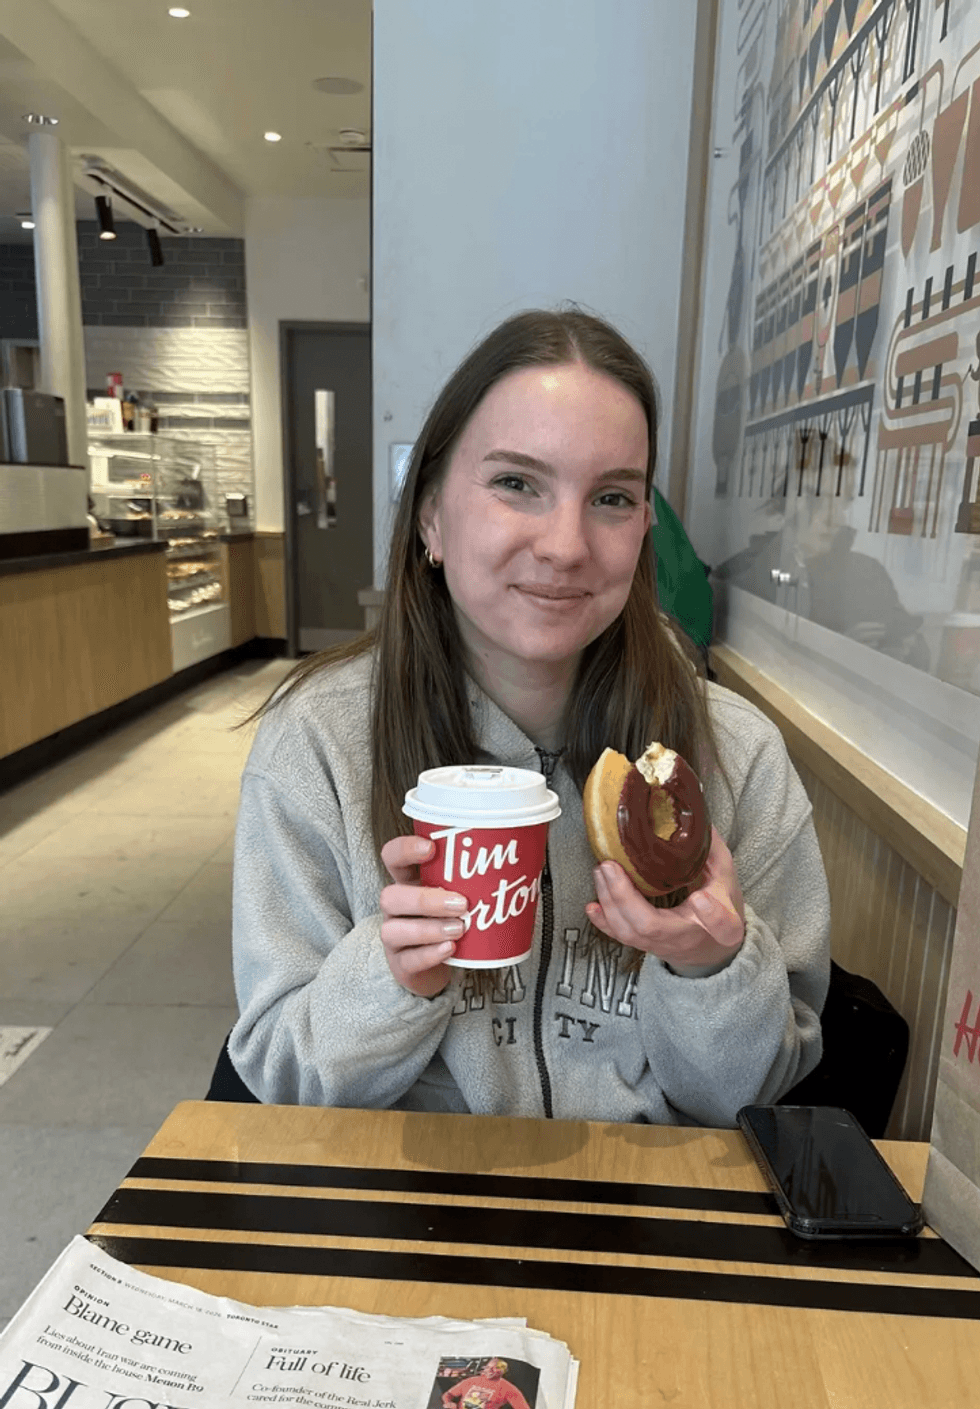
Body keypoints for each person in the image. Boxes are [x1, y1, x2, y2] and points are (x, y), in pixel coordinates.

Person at [228, 307, 830, 1127]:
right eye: (517, 483)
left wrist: (711, 964)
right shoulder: (318, 743)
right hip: (405, 1211)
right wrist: (391, 977)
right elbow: (280, 1080)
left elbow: (752, 1102)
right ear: (432, 513)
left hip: (643, 1215)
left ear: (645, 527)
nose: (566, 544)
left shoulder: (736, 756)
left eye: (612, 497)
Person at [442, 1358, 531, 1409]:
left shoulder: (508, 1388)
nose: (490, 1370)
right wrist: (448, 1402)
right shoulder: (471, 1380)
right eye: (488, 1367)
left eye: (495, 1368)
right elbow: (448, 1394)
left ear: (503, 1371)